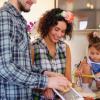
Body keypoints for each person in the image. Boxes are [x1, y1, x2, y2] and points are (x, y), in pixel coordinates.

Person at [0, 0, 71, 100]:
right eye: (56, 29)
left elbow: (24, 67)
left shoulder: (18, 20)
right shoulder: (4, 17)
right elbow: (4, 68)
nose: (35, 1)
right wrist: (47, 82)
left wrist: (45, 73)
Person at [31, 8, 74, 99]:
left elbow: (68, 80)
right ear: (48, 26)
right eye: (56, 29)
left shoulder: (65, 48)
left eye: (63, 31)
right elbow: (27, 78)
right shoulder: (33, 47)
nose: (59, 35)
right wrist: (45, 87)